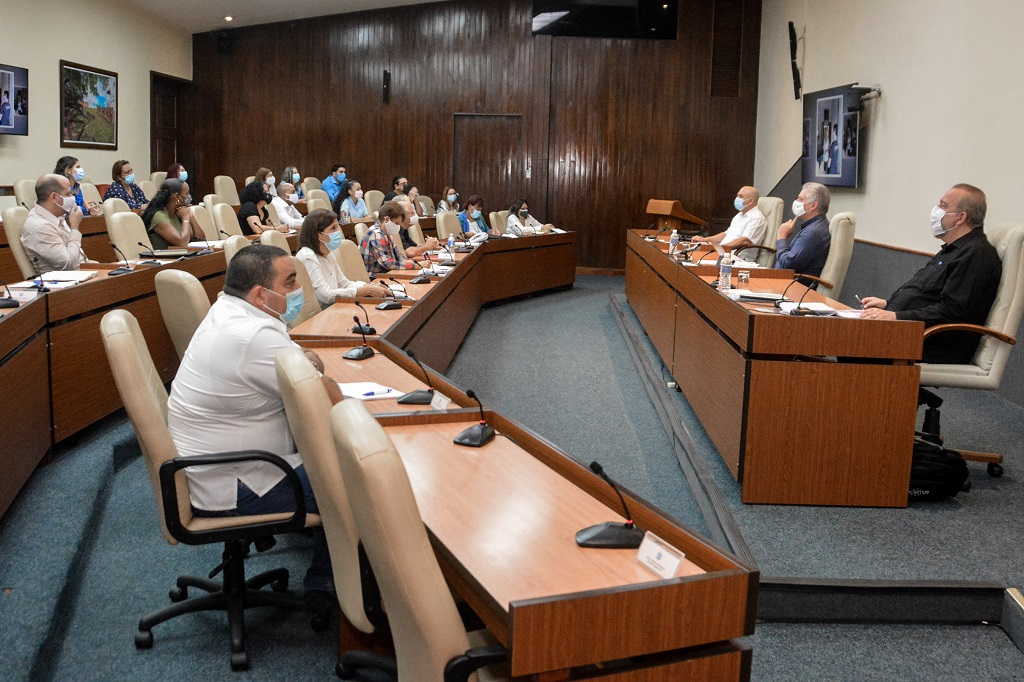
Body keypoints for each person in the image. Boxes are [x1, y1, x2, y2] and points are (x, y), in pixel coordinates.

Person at [167, 244, 342, 598]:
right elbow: (328, 404)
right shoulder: (253, 335)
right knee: (359, 475)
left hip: (215, 470)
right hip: (241, 483)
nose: (298, 291)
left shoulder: (230, 312)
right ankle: (328, 584)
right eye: (290, 282)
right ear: (261, 293)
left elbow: (299, 365)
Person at [860, 183, 1002, 364]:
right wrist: (888, 305)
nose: (936, 210)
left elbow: (951, 311)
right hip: (911, 332)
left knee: (854, 342)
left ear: (960, 217)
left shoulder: (976, 254)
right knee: (847, 335)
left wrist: (897, 316)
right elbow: (928, 295)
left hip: (934, 342)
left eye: (943, 206)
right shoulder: (953, 250)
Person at [295, 209, 390, 306]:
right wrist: (363, 291)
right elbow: (324, 296)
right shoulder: (308, 256)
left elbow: (344, 284)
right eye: (333, 228)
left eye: (338, 227)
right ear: (318, 235)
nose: (338, 231)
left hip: (336, 305)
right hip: (322, 313)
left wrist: (369, 286)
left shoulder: (328, 252)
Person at [20, 174, 89, 275]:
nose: (73, 197)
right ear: (54, 197)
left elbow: (80, 260)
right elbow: (69, 265)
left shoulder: (58, 216)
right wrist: (74, 228)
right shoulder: (39, 226)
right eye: (68, 194)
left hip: (84, 273)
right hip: (66, 285)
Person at [774, 182, 831, 280]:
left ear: (813, 205)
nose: (796, 201)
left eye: (800, 199)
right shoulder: (816, 226)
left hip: (791, 288)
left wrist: (781, 237)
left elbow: (788, 264)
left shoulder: (813, 232)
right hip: (783, 282)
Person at [692, 186, 766, 252]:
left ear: (751, 201)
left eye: (740, 196)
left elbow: (744, 241)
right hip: (724, 252)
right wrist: (704, 240)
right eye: (737, 196)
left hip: (738, 257)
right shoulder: (739, 215)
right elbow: (725, 234)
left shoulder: (757, 218)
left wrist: (716, 249)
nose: (737, 199)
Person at [359, 201, 418, 274]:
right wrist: (412, 266)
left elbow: (399, 256)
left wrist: (414, 263)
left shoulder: (387, 232)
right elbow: (387, 263)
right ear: (387, 219)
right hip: (375, 277)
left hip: (388, 273)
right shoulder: (376, 234)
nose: (398, 227)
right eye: (396, 223)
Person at [141, 179, 202, 249]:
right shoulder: (158, 216)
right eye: (187, 193)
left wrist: (190, 216)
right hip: (166, 258)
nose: (189, 197)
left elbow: (200, 237)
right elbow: (182, 243)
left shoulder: (179, 213)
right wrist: (186, 217)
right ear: (176, 197)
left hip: (183, 256)